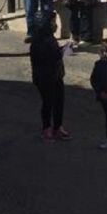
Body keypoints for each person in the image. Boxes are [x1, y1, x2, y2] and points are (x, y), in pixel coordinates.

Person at [29, 11, 70, 143]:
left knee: (59, 102)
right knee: (48, 103)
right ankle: (46, 128)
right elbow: (45, 58)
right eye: (52, 22)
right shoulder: (38, 41)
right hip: (44, 78)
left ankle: (58, 127)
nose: (54, 24)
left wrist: (61, 50)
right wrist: (60, 53)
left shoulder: (50, 38)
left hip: (56, 75)